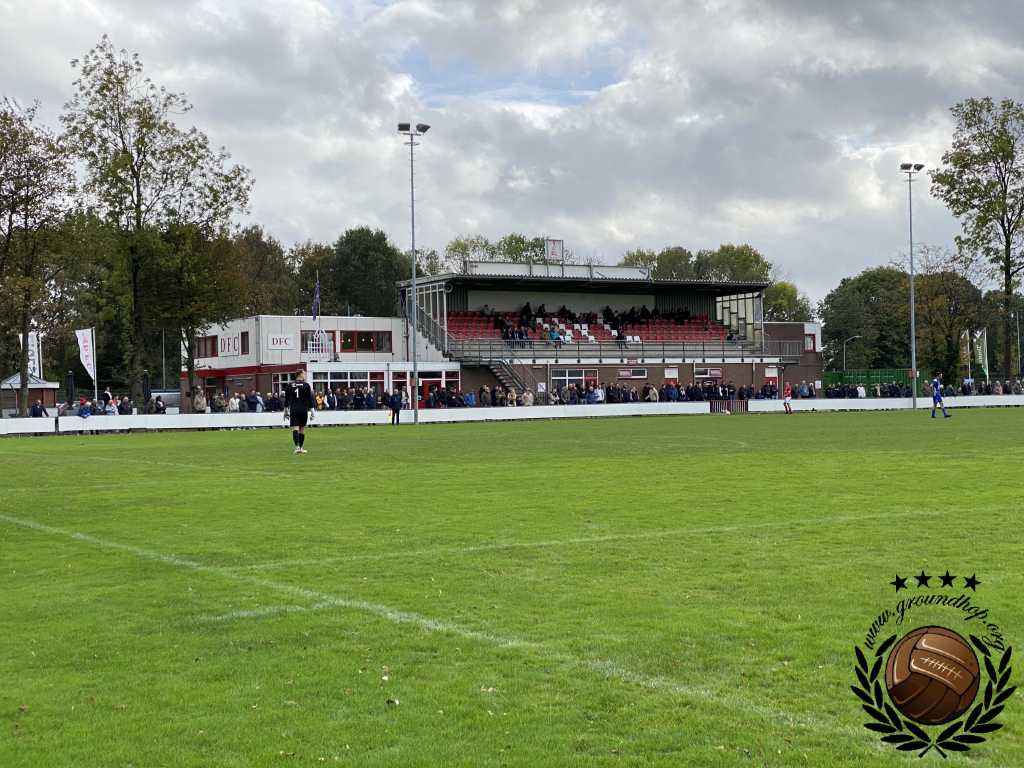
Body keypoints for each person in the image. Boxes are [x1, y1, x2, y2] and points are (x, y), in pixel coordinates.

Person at [285, 369, 316, 453]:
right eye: (304, 374)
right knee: (302, 428)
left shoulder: (289, 385)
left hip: (294, 409)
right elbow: (310, 400)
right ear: (300, 374)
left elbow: (286, 400)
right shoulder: (306, 385)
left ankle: (297, 447)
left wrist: (285, 412)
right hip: (303, 409)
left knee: (295, 427)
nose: (305, 375)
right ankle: (301, 447)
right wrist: (313, 412)